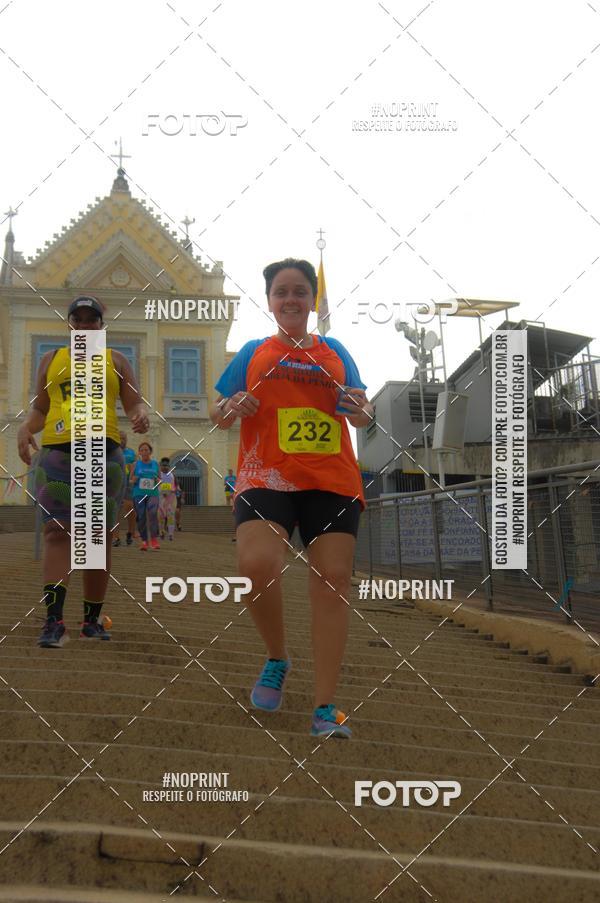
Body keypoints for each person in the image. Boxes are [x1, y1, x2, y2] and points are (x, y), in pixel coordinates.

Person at [209, 258, 373, 739]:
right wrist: (230, 406)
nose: (291, 299)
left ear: (312, 299)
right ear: (270, 301)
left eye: (300, 291)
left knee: (334, 580)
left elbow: (362, 407)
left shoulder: (335, 350)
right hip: (266, 476)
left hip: (332, 480)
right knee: (256, 565)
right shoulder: (254, 352)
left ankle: (325, 706)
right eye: (281, 292)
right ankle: (277, 656)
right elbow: (216, 412)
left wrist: (363, 409)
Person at [16, 295, 149, 647]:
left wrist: (139, 414)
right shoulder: (51, 360)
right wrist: (25, 428)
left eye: (93, 319)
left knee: (95, 538)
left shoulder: (116, 360)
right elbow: (40, 409)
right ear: (70, 325)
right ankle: (53, 621)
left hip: (103, 451)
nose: (86, 325)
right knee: (57, 533)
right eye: (79, 319)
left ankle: (92, 620)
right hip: (58, 450)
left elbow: (133, 401)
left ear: (102, 326)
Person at [131, 442, 160, 551]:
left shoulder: (155, 464)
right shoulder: (135, 464)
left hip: (153, 493)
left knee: (152, 513)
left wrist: (158, 481)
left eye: (146, 450)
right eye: (142, 450)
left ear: (150, 451)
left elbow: (160, 480)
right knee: (141, 516)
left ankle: (154, 539)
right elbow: (130, 479)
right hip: (138, 493)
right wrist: (133, 480)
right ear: (139, 452)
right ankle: (144, 541)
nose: (144, 452)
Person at [112, 431, 137, 546]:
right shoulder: (111, 452)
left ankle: (130, 533)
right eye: (120, 438)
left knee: (130, 508)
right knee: (115, 511)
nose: (122, 440)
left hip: (128, 485)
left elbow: (136, 465)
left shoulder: (131, 453)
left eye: (124, 438)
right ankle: (115, 537)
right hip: (115, 484)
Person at [158, 457, 178, 541]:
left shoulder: (172, 476)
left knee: (170, 516)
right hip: (161, 498)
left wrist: (171, 491)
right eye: (163, 465)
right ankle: (161, 531)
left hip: (171, 499)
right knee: (161, 516)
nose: (165, 467)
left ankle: (170, 534)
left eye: (166, 466)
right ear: (160, 466)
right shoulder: (158, 475)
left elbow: (175, 487)